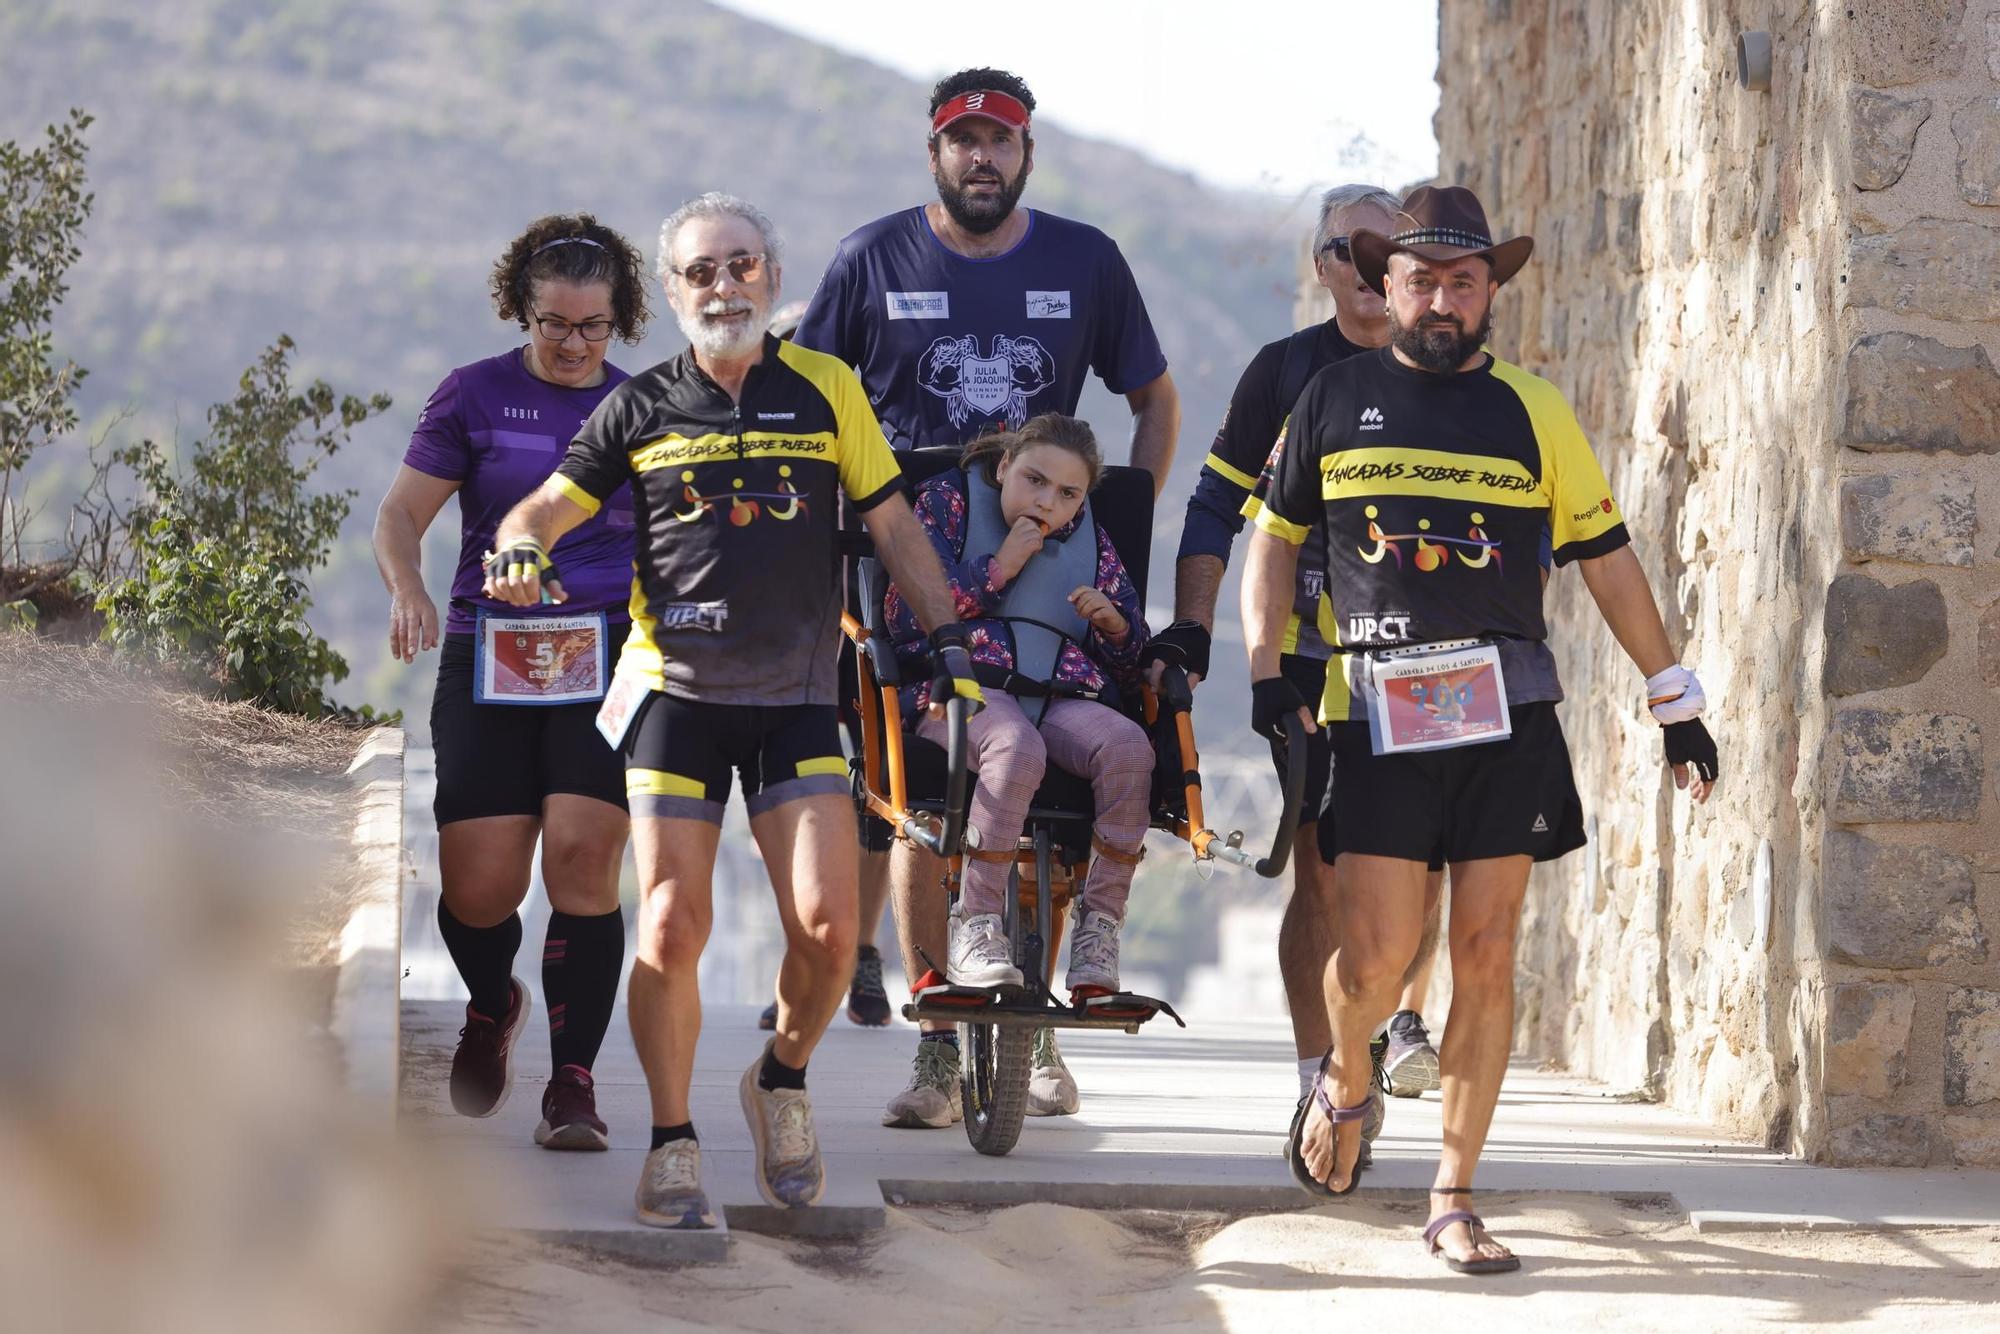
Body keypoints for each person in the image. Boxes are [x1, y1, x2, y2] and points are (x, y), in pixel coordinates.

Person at [1242, 186, 1718, 1273]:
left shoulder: (1535, 411)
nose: (1442, 299)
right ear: (1385, 282)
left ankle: (1451, 1194)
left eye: (1464, 281)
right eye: (1421, 279)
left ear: (1489, 289)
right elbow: (1269, 540)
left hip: (1503, 709)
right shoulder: (1327, 396)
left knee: (1486, 952)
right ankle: (1347, 1074)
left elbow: (1606, 559)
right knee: (1372, 956)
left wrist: (1673, 697)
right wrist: (1269, 670)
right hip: (1371, 704)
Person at [483, 193, 978, 1230]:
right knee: (669, 920)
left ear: (767, 273)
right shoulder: (641, 405)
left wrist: (952, 645)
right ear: (668, 292)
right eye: (701, 271)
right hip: (677, 697)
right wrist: (520, 542)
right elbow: (544, 505)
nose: (723, 286)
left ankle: (780, 1078)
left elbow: (891, 523)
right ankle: (671, 1141)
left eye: (741, 265)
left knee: (834, 929)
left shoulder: (826, 388)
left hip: (799, 696)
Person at [792, 66, 1181, 1126]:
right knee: (935, 804)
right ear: (933, 152)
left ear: (1024, 156)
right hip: (913, 559)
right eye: (961, 140)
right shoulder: (872, 257)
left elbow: (1153, 397)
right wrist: (833, 540)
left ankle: (1035, 1026)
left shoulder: (1082, 259)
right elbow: (805, 394)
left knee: (1053, 797)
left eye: (998, 141)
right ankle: (934, 1050)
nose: (980, 156)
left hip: (1045, 574)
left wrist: (1116, 527)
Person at [1149, 185, 1448, 1156]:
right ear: (1321, 268)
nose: (1368, 271)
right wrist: (1196, 631)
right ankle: (1318, 1080)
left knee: (1426, 866)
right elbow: (1210, 504)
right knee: (1320, 871)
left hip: (1432, 656)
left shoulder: (1453, 365)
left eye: (1388, 252)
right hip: (1313, 661)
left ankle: (1399, 1019)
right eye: (1347, 251)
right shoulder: (1280, 373)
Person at [372, 214, 651, 1152]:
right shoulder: (472, 395)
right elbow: (400, 516)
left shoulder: (643, 406)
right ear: (520, 311)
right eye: (554, 325)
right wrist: (409, 588)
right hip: (489, 651)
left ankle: (573, 1084)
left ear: (620, 320)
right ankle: (494, 1003)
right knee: (482, 889)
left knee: (582, 859)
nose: (573, 345)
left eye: (593, 327)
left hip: (606, 653)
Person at [882, 415, 1153, 994]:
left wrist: (1115, 627)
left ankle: (1098, 929)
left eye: (1067, 494)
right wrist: (999, 568)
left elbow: (1133, 663)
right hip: (958, 690)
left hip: (1060, 691)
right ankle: (975, 925)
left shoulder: (1091, 539)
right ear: (1004, 465)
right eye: (1033, 480)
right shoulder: (944, 506)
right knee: (1015, 747)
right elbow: (905, 617)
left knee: (1131, 747)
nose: (1047, 502)